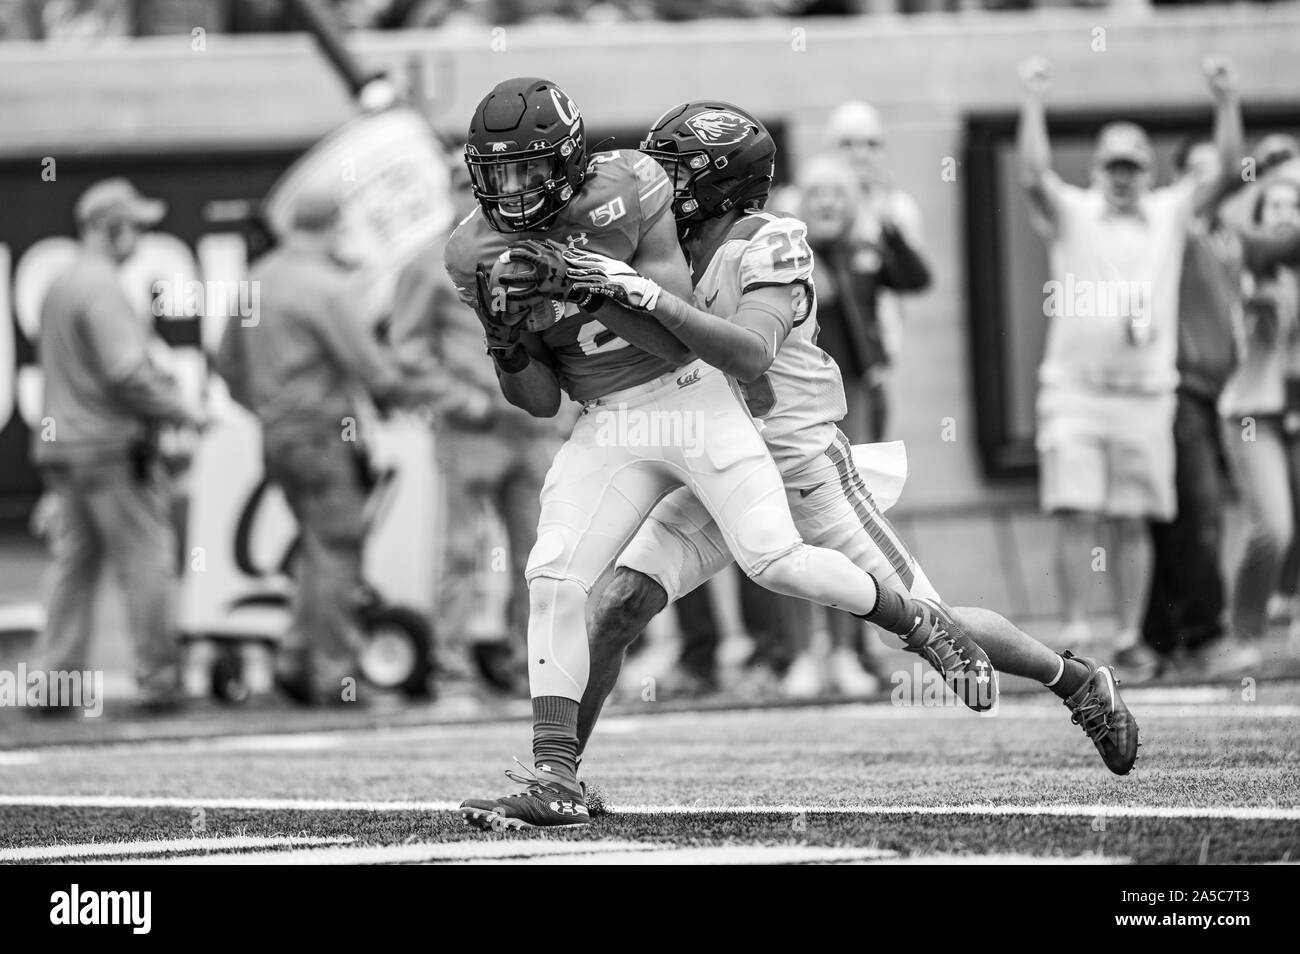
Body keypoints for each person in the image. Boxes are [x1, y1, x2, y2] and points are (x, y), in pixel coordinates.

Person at [545, 102, 1137, 803]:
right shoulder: (661, 245)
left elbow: (749, 352)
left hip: (800, 465)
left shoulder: (770, 240)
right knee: (614, 606)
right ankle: (559, 778)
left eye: (669, 171)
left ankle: (1074, 680)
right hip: (713, 464)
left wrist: (641, 294)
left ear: (714, 182)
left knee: (924, 624)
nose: (653, 185)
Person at [445, 82, 997, 830]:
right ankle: (555, 777)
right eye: (498, 175)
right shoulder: (472, 248)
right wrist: (507, 339)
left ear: (571, 161)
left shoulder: (632, 185)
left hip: (688, 394)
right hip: (608, 420)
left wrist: (595, 282)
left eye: (529, 172)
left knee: (773, 557)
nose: (512, 194)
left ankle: (916, 621)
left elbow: (680, 334)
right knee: (552, 573)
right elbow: (540, 401)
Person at [1017, 55, 1242, 679]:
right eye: (1113, 165)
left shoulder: (1170, 213)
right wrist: (1032, 98)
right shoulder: (1073, 211)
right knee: (1073, 510)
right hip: (1074, 391)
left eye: (1133, 165)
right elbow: (1032, 171)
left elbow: (1224, 166)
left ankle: (1125, 639)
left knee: (1132, 517)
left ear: (1146, 170)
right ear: (1098, 170)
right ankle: (1074, 636)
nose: (1123, 176)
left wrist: (1225, 98)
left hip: (1145, 394)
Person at [216, 188, 439, 705]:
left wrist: (267, 410)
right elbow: (374, 370)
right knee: (338, 551)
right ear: (334, 227)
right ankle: (333, 676)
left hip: (278, 438)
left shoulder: (256, 279)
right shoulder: (328, 288)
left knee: (317, 548)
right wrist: (428, 391)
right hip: (322, 434)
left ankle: (296, 660)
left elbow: (226, 365)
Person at [33, 178, 201, 713]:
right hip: (110, 448)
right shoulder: (101, 286)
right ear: (111, 228)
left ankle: (52, 687)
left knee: (73, 570)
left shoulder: (62, 282)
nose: (143, 238)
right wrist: (180, 408)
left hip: (66, 449)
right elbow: (126, 370)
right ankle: (159, 680)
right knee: (147, 563)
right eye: (137, 227)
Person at [390, 162, 558, 695]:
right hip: (470, 429)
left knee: (538, 552)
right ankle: (451, 664)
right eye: (461, 188)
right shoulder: (426, 264)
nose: (472, 198)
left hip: (527, 425)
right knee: (460, 550)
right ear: (447, 193)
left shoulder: (522, 249)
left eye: (477, 189)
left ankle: (528, 662)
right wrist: (460, 400)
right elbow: (407, 352)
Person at [1140, 135, 1242, 675]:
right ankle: (1206, 635)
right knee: (1200, 511)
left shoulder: (1228, 239)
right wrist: (1226, 99)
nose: (1210, 181)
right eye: (1195, 174)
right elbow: (1229, 166)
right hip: (1179, 388)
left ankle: (1161, 637)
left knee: (1177, 515)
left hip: (1225, 396)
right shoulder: (1171, 233)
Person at [1219, 176, 1300, 665]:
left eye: (1295, 204)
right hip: (1254, 415)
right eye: (1275, 205)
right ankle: (1244, 635)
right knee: (1274, 526)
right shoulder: (1248, 262)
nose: (1286, 212)